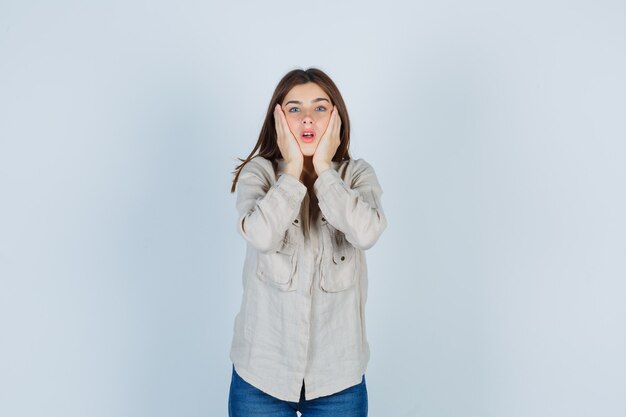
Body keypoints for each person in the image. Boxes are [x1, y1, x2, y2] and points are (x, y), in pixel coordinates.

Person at [228, 67, 387, 417]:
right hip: (261, 377)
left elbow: (366, 232)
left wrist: (326, 171)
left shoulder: (357, 175)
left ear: (336, 116)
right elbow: (262, 235)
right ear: (278, 118)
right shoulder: (259, 173)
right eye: (294, 108)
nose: (307, 118)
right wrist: (293, 171)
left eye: (320, 107)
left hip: (338, 380)